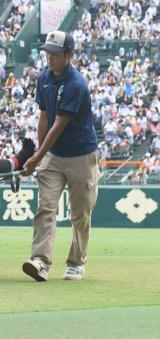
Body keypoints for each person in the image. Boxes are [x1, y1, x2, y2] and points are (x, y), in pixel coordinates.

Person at [21, 30, 100, 282]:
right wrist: (39, 154)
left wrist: (36, 157)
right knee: (45, 207)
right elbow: (44, 116)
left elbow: (59, 125)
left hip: (81, 156)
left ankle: (76, 261)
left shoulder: (76, 84)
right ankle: (40, 261)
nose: (50, 58)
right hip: (53, 156)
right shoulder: (44, 77)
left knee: (80, 214)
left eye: (55, 54)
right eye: (47, 53)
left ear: (69, 55)